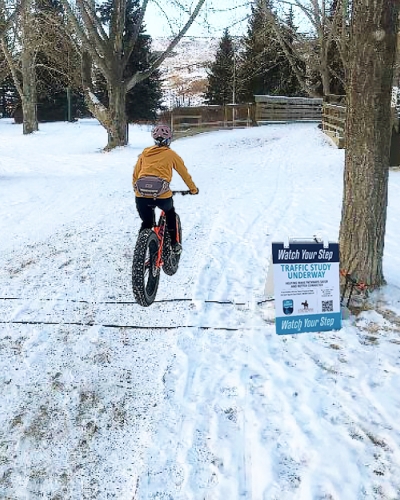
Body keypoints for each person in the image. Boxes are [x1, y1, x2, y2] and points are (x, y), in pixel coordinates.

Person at [133, 124, 199, 254]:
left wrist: (137, 190)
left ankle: (140, 250)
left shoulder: (144, 154)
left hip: (141, 196)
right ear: (168, 140)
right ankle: (174, 243)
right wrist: (193, 189)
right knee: (170, 213)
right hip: (162, 195)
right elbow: (184, 174)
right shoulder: (171, 154)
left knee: (146, 222)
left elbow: (135, 175)